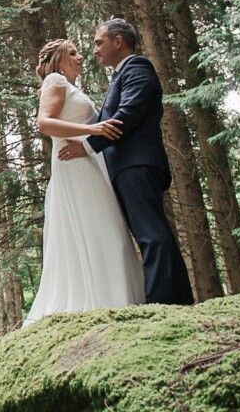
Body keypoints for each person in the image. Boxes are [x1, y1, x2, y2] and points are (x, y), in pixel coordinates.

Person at [22, 39, 143, 324]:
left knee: (108, 229)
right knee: (99, 227)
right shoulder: (55, 80)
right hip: (74, 167)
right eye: (73, 53)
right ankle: (105, 301)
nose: (80, 57)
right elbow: (44, 122)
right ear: (59, 60)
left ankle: (120, 299)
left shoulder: (73, 88)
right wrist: (92, 128)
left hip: (90, 165)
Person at [75, 18, 193, 305]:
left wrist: (88, 146)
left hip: (136, 163)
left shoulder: (137, 67)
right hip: (127, 166)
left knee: (150, 235)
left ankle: (161, 304)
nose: (94, 50)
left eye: (98, 42)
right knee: (152, 231)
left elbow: (129, 113)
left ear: (118, 42)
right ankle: (177, 299)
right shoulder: (120, 75)